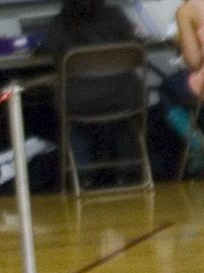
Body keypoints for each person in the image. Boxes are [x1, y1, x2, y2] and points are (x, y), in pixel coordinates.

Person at [43, 0, 144, 182]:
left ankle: (83, 174)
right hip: (123, 96)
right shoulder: (116, 16)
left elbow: (59, 64)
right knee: (126, 117)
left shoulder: (60, 23)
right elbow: (137, 53)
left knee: (69, 116)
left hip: (79, 102)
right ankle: (129, 170)